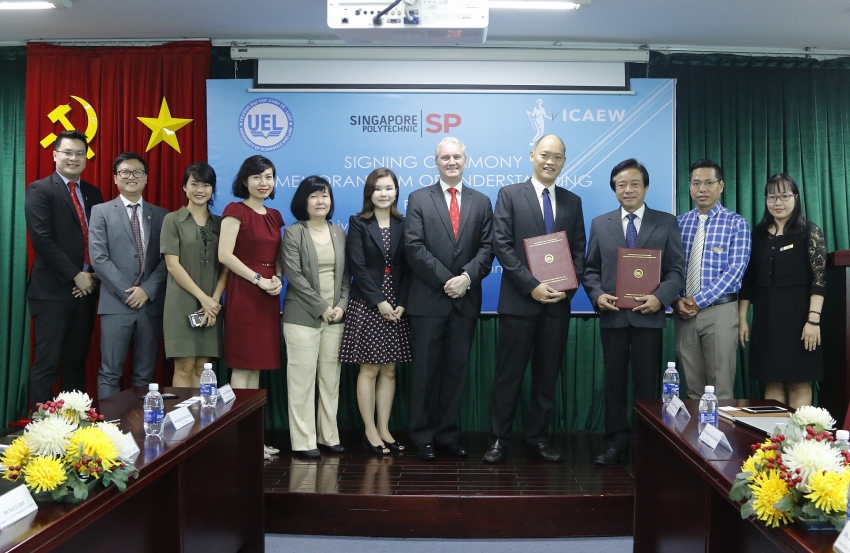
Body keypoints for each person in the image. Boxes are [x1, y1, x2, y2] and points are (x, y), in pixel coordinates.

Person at [483, 134, 586, 464]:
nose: (550, 161)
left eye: (557, 156)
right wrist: (532, 286)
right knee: (508, 375)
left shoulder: (573, 201)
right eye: (544, 154)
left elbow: (579, 251)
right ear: (532, 155)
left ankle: (538, 437)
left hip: (557, 305)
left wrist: (566, 290)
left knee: (546, 376)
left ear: (564, 162)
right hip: (518, 303)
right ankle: (499, 438)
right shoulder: (510, 194)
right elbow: (502, 245)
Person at [582, 159, 685, 465]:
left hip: (648, 318)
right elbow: (590, 269)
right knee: (614, 383)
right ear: (614, 189)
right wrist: (597, 295)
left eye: (634, 184)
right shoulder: (600, 223)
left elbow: (676, 271)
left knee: (646, 384)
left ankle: (646, 443)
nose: (628, 190)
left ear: (646, 187)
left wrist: (660, 298)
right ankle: (615, 442)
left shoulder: (666, 222)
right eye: (621, 185)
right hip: (613, 316)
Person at [404, 137, 494, 461]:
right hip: (428, 301)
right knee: (425, 373)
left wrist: (466, 278)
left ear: (465, 160)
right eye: (445, 157)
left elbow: (488, 247)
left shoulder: (481, 201)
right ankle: (422, 436)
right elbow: (413, 247)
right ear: (436, 162)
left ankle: (447, 435)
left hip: (464, 302)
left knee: (456, 373)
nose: (451, 162)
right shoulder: (418, 198)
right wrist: (448, 281)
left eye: (457, 156)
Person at [25, 130, 104, 406]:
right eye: (68, 152)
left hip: (87, 290)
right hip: (51, 293)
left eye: (80, 153)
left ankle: (74, 421)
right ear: (55, 154)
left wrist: (92, 276)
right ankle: (40, 426)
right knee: (47, 364)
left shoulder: (93, 193)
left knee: (75, 363)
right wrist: (75, 275)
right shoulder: (40, 190)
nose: (74, 158)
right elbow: (41, 239)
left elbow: (99, 239)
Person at [339, 168, 412, 455]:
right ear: (369, 192)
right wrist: (379, 301)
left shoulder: (405, 223)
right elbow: (357, 266)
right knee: (369, 368)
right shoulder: (358, 222)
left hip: (398, 304)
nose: (384, 193)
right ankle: (369, 431)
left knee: (390, 370)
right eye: (378, 188)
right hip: (369, 302)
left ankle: (384, 428)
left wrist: (401, 302)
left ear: (396, 192)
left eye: (389, 188)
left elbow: (409, 267)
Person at [738, 174, 825, 409]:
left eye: (785, 196)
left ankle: (801, 434)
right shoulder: (757, 235)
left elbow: (819, 280)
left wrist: (813, 320)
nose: (778, 202)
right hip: (767, 320)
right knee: (772, 380)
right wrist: (742, 319)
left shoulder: (809, 231)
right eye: (772, 197)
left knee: (800, 382)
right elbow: (748, 282)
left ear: (796, 198)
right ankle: (775, 433)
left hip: (801, 320)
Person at [218, 155, 283, 460]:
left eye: (268, 176)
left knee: (255, 369)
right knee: (242, 368)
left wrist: (278, 278)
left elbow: (278, 256)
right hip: (245, 292)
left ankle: (253, 439)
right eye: (257, 177)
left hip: (267, 295)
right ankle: (237, 439)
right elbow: (225, 255)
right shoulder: (235, 211)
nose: (263, 183)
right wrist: (258, 279)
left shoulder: (275, 215)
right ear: (245, 181)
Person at [89, 152, 168, 399]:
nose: (131, 176)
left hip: (150, 305)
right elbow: (98, 258)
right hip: (115, 304)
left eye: (137, 172)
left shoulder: (162, 215)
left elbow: (167, 259)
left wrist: (147, 290)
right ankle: (109, 423)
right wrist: (129, 292)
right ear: (115, 178)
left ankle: (143, 421)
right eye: (124, 172)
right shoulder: (101, 211)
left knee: (145, 374)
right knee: (110, 372)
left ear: (146, 178)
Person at [282, 175, 350, 459]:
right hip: (302, 316)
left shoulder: (338, 232)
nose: (321, 201)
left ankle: (328, 436)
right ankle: (303, 441)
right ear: (304, 201)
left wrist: (341, 306)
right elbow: (294, 276)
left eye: (325, 195)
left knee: (330, 380)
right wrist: (322, 307)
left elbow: (345, 275)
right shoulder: (293, 232)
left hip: (335, 317)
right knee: (302, 381)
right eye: (314, 196)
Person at [674, 159, 751, 400]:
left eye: (709, 182)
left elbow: (735, 270)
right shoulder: (678, 223)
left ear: (721, 186)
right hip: (684, 313)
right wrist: (676, 300)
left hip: (720, 311)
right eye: (696, 183)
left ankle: (722, 427)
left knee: (721, 388)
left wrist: (698, 301)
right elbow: (669, 268)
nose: (702, 189)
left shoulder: (736, 223)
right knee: (693, 388)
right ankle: (694, 428)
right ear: (689, 187)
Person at [161, 162, 228, 387]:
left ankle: (203, 412)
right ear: (184, 187)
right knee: (185, 367)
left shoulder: (221, 223)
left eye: (206, 185)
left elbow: (225, 268)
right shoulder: (173, 220)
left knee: (203, 368)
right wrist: (203, 299)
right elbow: (172, 265)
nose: (200, 190)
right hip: (181, 303)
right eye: (195, 184)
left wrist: (214, 301)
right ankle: (182, 413)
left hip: (212, 305)